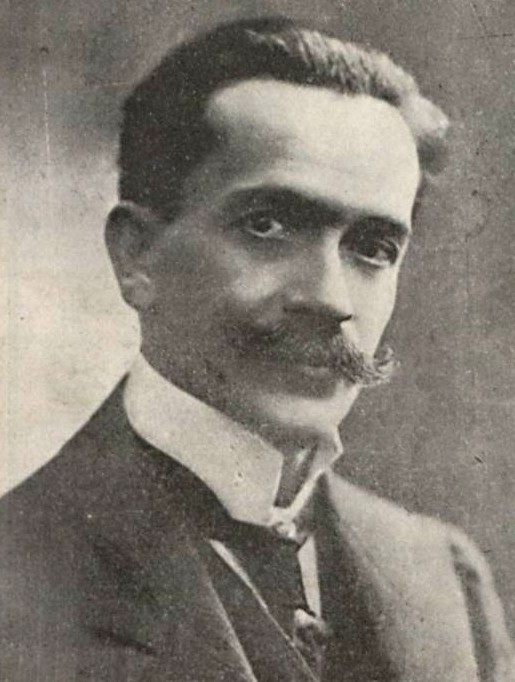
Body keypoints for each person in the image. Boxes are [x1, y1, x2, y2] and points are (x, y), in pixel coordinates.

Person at [1, 16, 513, 682]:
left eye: (373, 248)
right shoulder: (18, 572)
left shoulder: (445, 579)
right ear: (137, 255)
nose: (331, 299)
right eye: (267, 225)